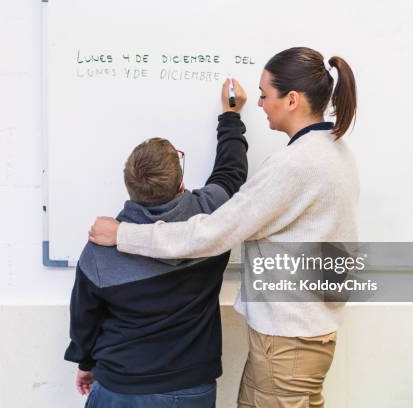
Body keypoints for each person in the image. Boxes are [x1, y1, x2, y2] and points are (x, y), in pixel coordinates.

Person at [88, 47, 359, 408]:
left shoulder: (293, 166)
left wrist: (122, 234)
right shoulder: (335, 151)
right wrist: (230, 117)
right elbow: (229, 180)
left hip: (287, 344)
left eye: (264, 95)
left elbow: (211, 234)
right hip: (310, 336)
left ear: (291, 100)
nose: (260, 103)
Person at [64, 79, 249, 408]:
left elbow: (84, 319)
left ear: (129, 187)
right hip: (191, 386)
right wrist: (231, 114)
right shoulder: (210, 216)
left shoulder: (101, 246)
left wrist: (85, 362)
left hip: (121, 384)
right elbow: (231, 172)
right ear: (180, 184)